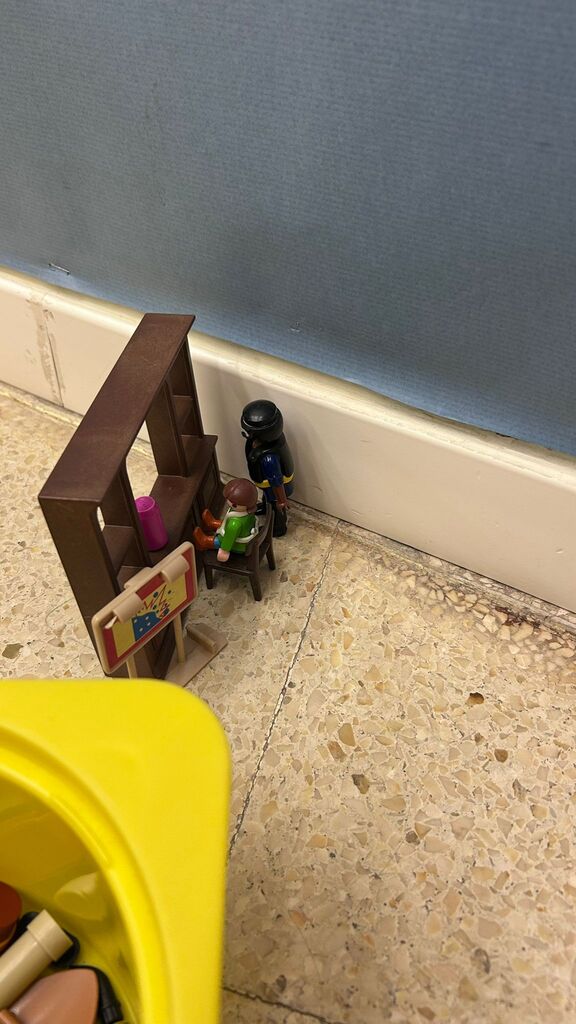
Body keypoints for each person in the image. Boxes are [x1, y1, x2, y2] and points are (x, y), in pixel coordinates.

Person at [241, 400, 294, 537]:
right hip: (268, 487)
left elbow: (276, 481)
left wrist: (281, 501)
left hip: (276, 489)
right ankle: (266, 507)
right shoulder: (264, 443)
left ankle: (278, 527)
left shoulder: (269, 458)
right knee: (267, 499)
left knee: (275, 507)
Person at [193, 478, 259, 562]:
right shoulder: (247, 511)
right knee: (228, 524)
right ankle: (213, 523)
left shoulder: (234, 524)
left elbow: (228, 540)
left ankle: (205, 542)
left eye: (233, 503)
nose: (228, 501)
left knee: (218, 541)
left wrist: (224, 550)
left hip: (238, 546)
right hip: (244, 532)